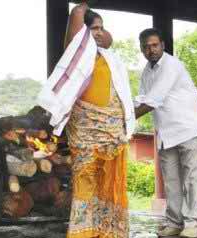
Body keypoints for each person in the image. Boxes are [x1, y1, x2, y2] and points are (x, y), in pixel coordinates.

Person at [38, 2, 135, 238]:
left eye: (102, 28)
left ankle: (108, 232)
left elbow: (108, 38)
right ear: (82, 32)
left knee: (108, 184)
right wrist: (85, 11)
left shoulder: (108, 56)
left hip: (112, 134)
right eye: (94, 29)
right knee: (86, 182)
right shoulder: (78, 54)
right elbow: (77, 13)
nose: (99, 32)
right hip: (85, 131)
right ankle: (84, 233)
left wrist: (99, 30)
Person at [135, 28, 197, 238]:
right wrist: (122, 112)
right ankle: (175, 223)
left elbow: (153, 99)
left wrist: (124, 119)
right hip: (166, 133)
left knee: (193, 178)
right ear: (142, 49)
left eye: (155, 45)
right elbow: (141, 98)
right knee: (172, 181)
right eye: (146, 47)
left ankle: (193, 223)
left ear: (163, 45)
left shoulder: (172, 65)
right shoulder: (147, 71)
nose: (151, 50)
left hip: (188, 128)